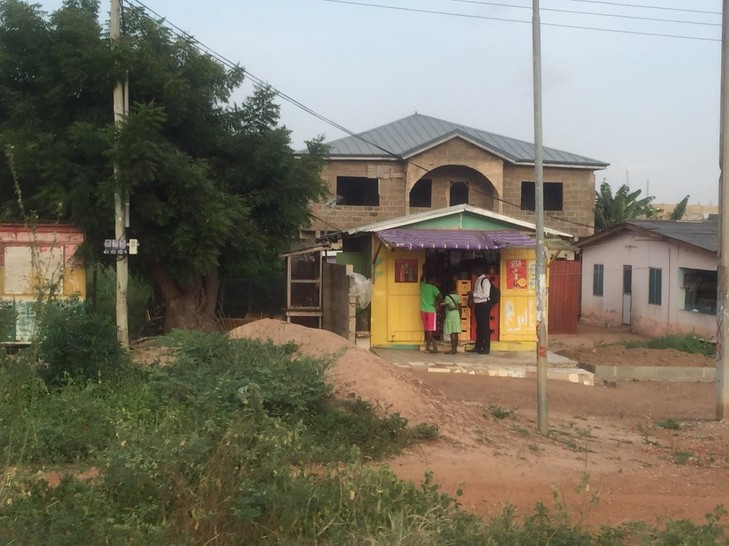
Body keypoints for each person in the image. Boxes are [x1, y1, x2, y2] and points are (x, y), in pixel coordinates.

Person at [467, 264, 498, 354]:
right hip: (479, 305)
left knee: (484, 327)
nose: (473, 271)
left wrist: (474, 295)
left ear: (479, 270)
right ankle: (478, 346)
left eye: (475, 269)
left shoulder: (485, 281)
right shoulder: (478, 280)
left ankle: (486, 348)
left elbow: (486, 294)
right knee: (479, 327)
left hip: (484, 305)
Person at [419, 268, 442, 353]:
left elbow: (421, 279)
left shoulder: (422, 286)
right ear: (432, 280)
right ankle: (427, 348)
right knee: (430, 330)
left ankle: (434, 345)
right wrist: (437, 304)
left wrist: (424, 271)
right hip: (431, 311)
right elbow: (440, 296)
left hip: (422, 311)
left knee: (427, 330)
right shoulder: (433, 288)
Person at [441, 281, 462, 354]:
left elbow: (448, 307)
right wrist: (460, 316)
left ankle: (452, 349)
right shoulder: (457, 296)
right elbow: (460, 307)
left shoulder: (447, 297)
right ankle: (455, 349)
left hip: (450, 314)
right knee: (455, 332)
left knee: (452, 332)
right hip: (457, 314)